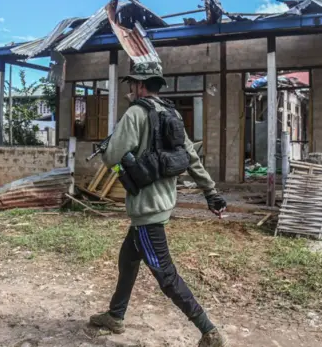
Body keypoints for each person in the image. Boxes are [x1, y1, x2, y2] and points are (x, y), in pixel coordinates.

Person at [89, 61, 228, 347]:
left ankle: (209, 331)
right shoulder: (171, 113)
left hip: (147, 209)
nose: (130, 89)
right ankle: (115, 316)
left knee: (166, 275)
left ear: (140, 85)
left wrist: (114, 149)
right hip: (163, 202)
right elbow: (191, 158)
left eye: (132, 85)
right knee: (128, 259)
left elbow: (112, 157)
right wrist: (211, 192)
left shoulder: (136, 113)